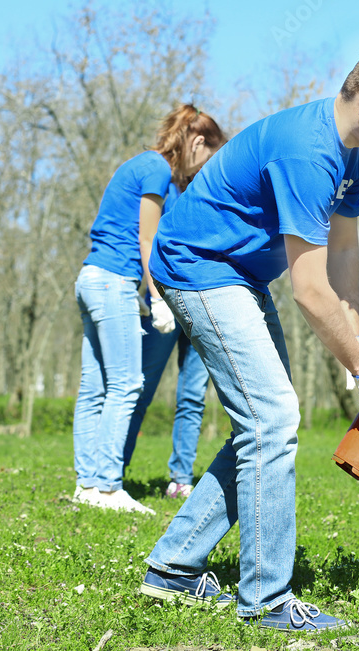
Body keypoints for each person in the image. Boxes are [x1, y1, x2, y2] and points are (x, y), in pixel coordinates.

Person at [138, 42, 359, 632]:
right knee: (271, 418)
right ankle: (268, 602)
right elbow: (308, 288)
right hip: (199, 268)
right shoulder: (309, 152)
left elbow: (344, 250)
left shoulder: (355, 154)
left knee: (263, 420)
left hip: (239, 275)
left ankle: (172, 569)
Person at [72, 104, 225, 514]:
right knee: (126, 385)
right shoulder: (158, 170)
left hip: (90, 277)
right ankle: (107, 488)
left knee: (94, 389)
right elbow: (147, 241)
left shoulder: (139, 164)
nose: (201, 170)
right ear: (195, 142)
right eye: (206, 157)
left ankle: (86, 485)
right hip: (114, 282)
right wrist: (157, 298)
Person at [123, 182, 213, 499]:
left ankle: (180, 479)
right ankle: (113, 475)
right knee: (140, 389)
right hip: (164, 300)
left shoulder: (218, 190)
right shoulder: (165, 187)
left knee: (192, 397)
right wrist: (153, 296)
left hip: (203, 302)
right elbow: (149, 240)